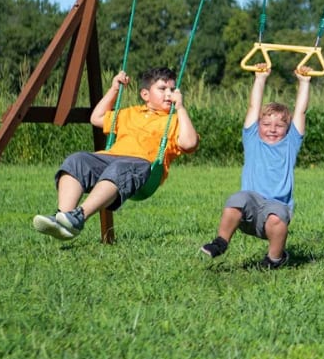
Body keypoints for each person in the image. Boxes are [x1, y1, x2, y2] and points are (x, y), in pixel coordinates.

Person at [33, 66, 199, 240]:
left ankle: (78, 216)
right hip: (110, 158)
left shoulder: (174, 120)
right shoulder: (130, 113)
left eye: (173, 90)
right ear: (145, 95)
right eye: (162, 89)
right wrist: (114, 90)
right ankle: (62, 218)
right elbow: (96, 118)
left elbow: (189, 143)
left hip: (143, 166)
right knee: (77, 160)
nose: (169, 94)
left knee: (121, 167)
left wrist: (180, 108)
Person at [199, 64, 311, 268]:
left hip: (276, 208)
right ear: (258, 125)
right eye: (266, 124)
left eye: (279, 125)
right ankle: (221, 242)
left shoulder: (290, 143)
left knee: (277, 216)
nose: (272, 129)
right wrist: (260, 79)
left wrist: (304, 82)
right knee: (237, 198)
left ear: (288, 129)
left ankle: (274, 259)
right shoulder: (252, 138)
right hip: (249, 209)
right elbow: (253, 107)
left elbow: (301, 111)